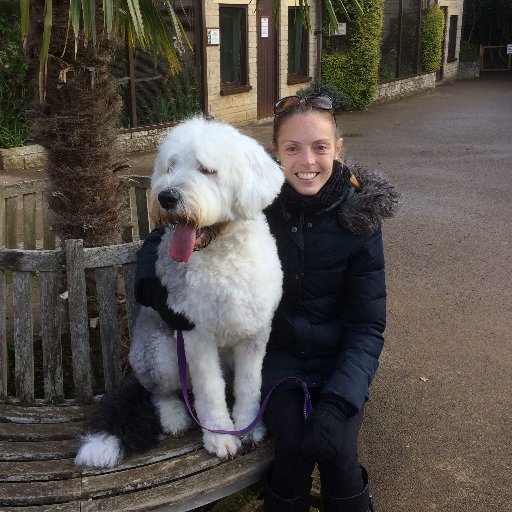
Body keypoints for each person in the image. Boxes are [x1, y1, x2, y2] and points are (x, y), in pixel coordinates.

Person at [134, 95, 399, 512]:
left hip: (337, 363)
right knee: (291, 451)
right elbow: (162, 238)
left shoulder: (360, 219)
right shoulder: (261, 199)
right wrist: (150, 284)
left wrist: (338, 401)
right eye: (292, 148)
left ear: (339, 148)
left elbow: (368, 325)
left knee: (338, 456)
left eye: (320, 147)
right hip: (281, 359)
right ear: (277, 153)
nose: (306, 161)